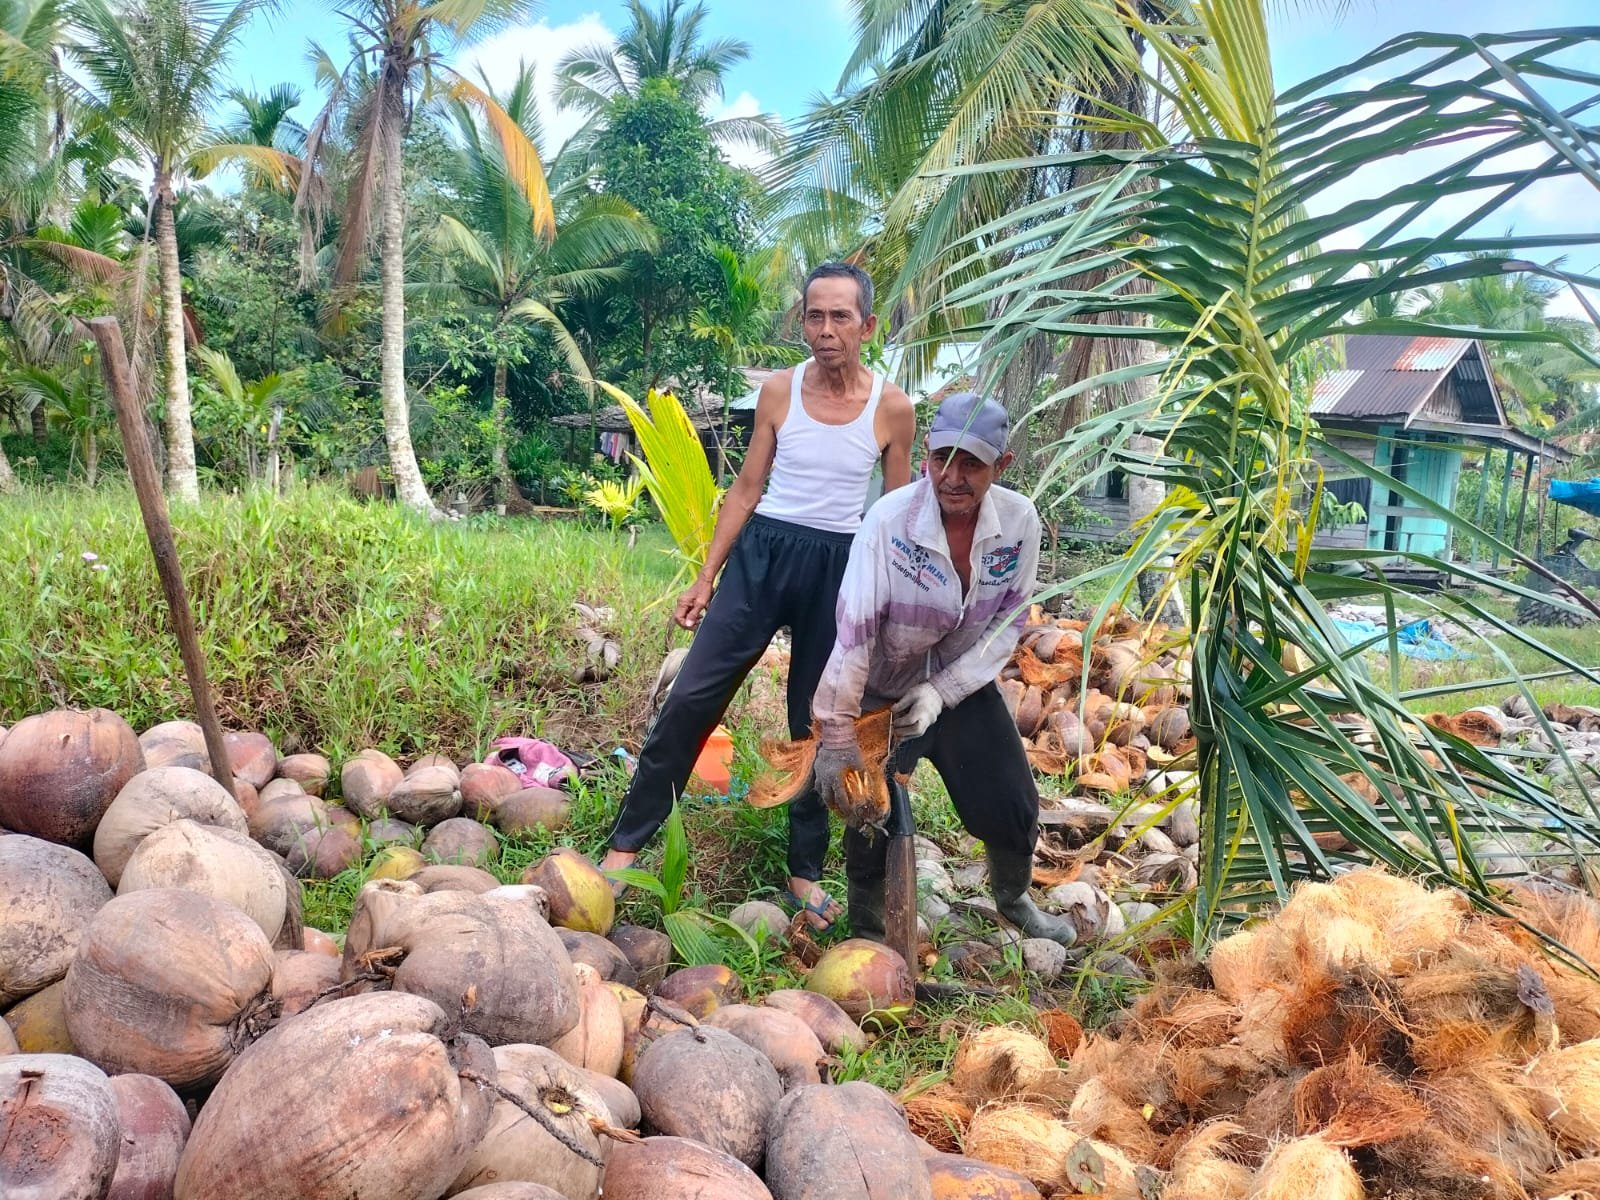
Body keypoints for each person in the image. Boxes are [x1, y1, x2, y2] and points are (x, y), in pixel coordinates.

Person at [600, 262, 916, 930]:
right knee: (692, 699)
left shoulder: (893, 408)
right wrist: (705, 575)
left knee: (816, 723)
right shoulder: (778, 391)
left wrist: (886, 609)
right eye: (814, 316)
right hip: (763, 555)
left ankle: (804, 870)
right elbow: (745, 488)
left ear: (868, 325)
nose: (825, 331)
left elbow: (894, 516)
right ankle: (626, 846)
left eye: (839, 317)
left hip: (842, 571)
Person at [809, 391, 1079, 946]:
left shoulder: (1019, 523)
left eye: (972, 463)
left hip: (958, 685)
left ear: (1001, 465)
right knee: (869, 809)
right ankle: (869, 924)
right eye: (941, 459)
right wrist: (838, 730)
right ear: (927, 454)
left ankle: (1013, 897)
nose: (952, 476)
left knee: (1011, 797)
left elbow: (1008, 621)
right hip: (880, 687)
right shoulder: (889, 522)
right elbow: (855, 629)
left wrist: (942, 690)